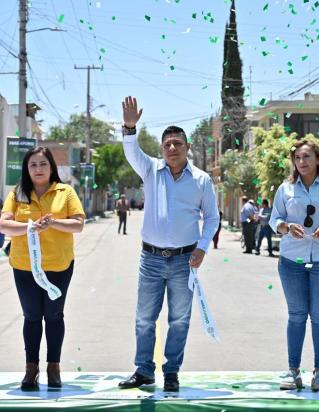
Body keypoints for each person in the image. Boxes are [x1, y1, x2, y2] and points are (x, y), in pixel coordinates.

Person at [118, 96, 219, 392]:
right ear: (162, 150)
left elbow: (212, 218)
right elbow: (131, 151)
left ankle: (171, 372)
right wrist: (129, 127)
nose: (172, 148)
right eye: (167, 144)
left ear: (187, 148)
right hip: (150, 260)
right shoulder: (150, 170)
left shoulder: (201, 181)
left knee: (179, 319)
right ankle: (144, 370)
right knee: (144, 318)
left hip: (184, 261)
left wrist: (202, 248)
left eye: (177, 143)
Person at [0, 146, 86, 390]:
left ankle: (54, 367)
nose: (38, 169)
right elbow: (5, 226)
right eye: (33, 165)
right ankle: (31, 368)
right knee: (32, 317)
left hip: (59, 266)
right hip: (25, 267)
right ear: (27, 169)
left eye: (43, 164)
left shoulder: (65, 191)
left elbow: (78, 224)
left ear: (51, 167)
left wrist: (54, 222)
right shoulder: (17, 194)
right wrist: (30, 227)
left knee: (54, 316)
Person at [269, 139, 319, 391]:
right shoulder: (285, 189)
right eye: (297, 158)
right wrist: (286, 227)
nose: (301, 162)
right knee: (296, 316)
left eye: (306, 157)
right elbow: (275, 220)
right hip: (292, 260)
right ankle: (293, 372)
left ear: (318, 159)